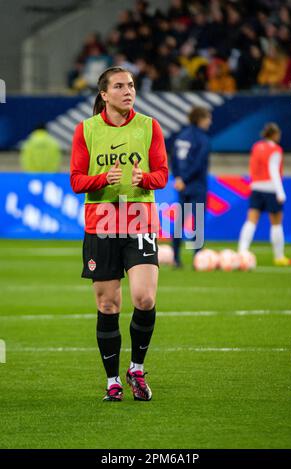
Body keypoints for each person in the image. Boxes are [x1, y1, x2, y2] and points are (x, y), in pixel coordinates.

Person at [70, 66, 168, 401]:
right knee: (108, 305)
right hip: (101, 222)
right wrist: (101, 180)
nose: (128, 91)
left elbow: (163, 173)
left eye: (131, 85)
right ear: (104, 94)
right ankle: (112, 380)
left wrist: (146, 179)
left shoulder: (150, 126)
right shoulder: (86, 130)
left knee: (145, 298)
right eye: (119, 86)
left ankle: (136, 369)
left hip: (139, 217)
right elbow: (76, 181)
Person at [238, 122, 291, 266]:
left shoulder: (256, 147)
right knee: (276, 223)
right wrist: (280, 192)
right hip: (271, 189)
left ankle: (242, 252)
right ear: (274, 135)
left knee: (251, 221)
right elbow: (273, 171)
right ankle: (279, 257)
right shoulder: (275, 149)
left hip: (256, 187)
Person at [171, 106, 212, 267]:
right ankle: (198, 259)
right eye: (208, 117)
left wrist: (179, 178)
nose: (210, 121)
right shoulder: (203, 139)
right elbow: (199, 163)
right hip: (197, 185)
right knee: (198, 222)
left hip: (182, 185)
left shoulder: (181, 136)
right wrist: (186, 179)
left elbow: (173, 159)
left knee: (179, 222)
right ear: (200, 119)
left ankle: (175, 258)